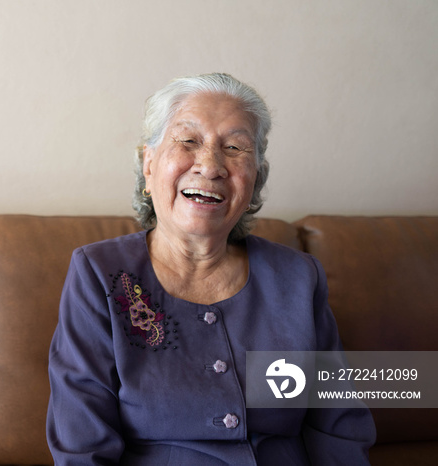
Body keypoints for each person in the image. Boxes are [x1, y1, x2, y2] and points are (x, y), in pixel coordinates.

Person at [46, 73, 376, 465]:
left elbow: (338, 426)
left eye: (235, 147)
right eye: (188, 141)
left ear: (254, 181)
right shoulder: (100, 274)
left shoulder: (298, 278)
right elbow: (83, 446)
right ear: (149, 165)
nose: (210, 165)